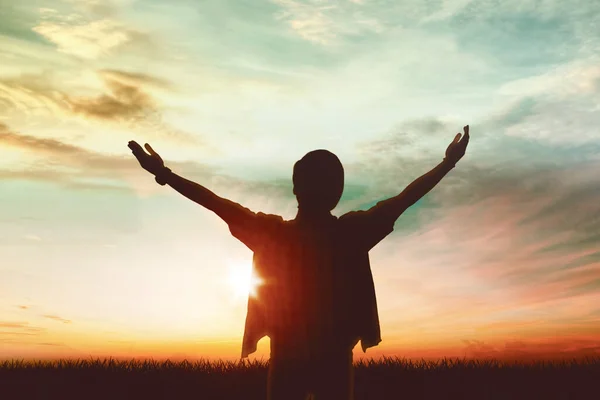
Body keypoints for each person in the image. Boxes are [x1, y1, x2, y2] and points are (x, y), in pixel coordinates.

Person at [128, 125, 470, 400]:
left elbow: (216, 203)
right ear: (337, 191)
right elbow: (404, 199)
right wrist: (447, 163)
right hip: (332, 358)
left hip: (289, 357)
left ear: (296, 189)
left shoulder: (272, 233)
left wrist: (165, 174)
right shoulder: (351, 233)